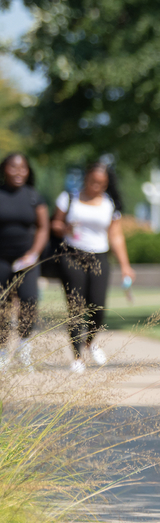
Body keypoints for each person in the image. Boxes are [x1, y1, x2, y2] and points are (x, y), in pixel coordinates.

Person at [52, 161, 136, 374]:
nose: (96, 186)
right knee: (75, 307)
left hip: (99, 256)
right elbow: (55, 224)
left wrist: (126, 266)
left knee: (98, 305)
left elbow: (116, 236)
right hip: (72, 254)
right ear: (86, 178)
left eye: (101, 183)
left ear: (107, 183)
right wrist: (64, 228)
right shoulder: (69, 198)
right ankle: (78, 357)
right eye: (92, 181)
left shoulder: (110, 204)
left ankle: (90, 343)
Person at [0, 153, 49, 369]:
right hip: (1, 259)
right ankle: (2, 350)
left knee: (30, 299)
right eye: (13, 167)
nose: (18, 172)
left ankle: (23, 345)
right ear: (4, 169)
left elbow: (43, 227)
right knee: (2, 304)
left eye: (23, 168)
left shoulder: (33, 196)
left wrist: (33, 253)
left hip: (27, 259)